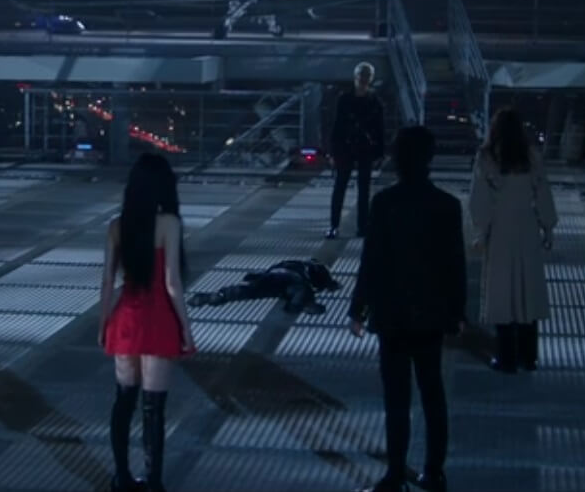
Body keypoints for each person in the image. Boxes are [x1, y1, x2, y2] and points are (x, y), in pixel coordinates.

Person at [348, 127, 465, 492]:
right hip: (430, 312)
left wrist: (358, 308)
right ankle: (434, 471)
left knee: (396, 398)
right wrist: (456, 312)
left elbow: (372, 261)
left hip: (392, 312)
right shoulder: (447, 205)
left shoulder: (384, 203)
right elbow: (455, 265)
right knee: (433, 393)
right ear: (430, 158)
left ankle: (396, 474)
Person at [101, 153, 196, 492]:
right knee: (153, 408)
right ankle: (153, 482)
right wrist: (186, 328)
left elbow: (107, 282)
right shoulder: (168, 223)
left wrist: (102, 325)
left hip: (125, 318)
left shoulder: (116, 226)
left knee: (123, 400)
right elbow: (172, 282)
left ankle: (121, 477)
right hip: (158, 320)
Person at [469, 108, 557, 374]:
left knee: (501, 291)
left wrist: (480, 232)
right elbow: (543, 193)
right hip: (527, 228)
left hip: (501, 229)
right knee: (527, 289)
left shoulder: (486, 157)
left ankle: (506, 357)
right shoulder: (532, 156)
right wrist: (548, 227)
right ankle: (529, 357)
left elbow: (480, 199)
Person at [327, 62, 387, 239]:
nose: (363, 79)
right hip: (347, 147)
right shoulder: (347, 99)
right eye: (362, 75)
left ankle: (361, 226)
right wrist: (333, 151)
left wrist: (380, 152)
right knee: (341, 186)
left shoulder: (373, 101)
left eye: (366, 76)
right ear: (356, 76)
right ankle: (335, 225)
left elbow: (380, 129)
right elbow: (337, 126)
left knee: (362, 189)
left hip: (363, 148)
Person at [187, 259, 341, 315]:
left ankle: (220, 295)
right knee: (301, 290)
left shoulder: (297, 263)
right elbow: (319, 279)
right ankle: (301, 304)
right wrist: (330, 284)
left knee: (252, 290)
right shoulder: (312, 268)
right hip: (290, 280)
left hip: (273, 275)